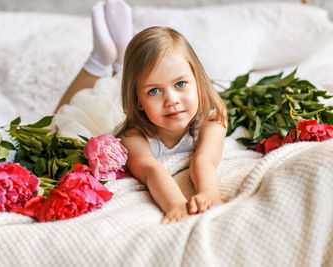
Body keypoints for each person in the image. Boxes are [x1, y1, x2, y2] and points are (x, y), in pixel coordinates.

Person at [55, 0, 228, 225]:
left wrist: (208, 193)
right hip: (112, 113)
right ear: (138, 101)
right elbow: (150, 170)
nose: (172, 100)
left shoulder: (212, 119)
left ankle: (123, 64)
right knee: (60, 121)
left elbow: (204, 160)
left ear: (197, 80)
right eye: (154, 91)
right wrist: (175, 205)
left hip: (138, 94)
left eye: (181, 84)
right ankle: (100, 59)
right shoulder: (132, 136)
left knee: (136, 78)